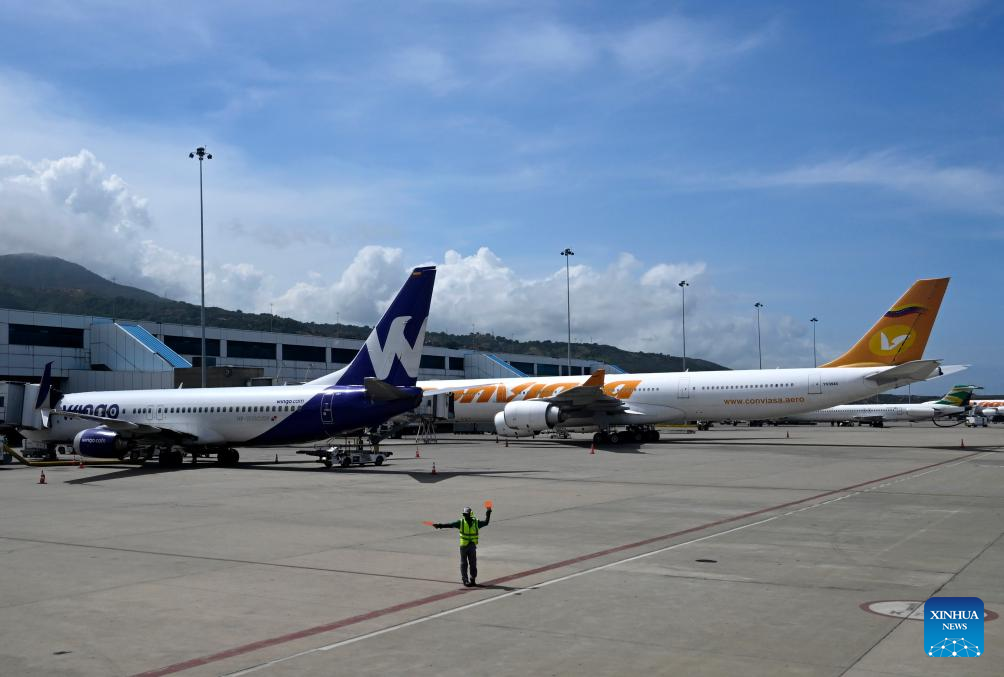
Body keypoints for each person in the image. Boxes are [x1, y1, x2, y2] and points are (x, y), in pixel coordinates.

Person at [434, 505, 491, 586]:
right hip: (463, 546)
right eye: (464, 514)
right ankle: (465, 580)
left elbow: (486, 522)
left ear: (471, 514)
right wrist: (440, 525)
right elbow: (450, 525)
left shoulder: (476, 522)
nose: (465, 515)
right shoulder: (461, 522)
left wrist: (488, 512)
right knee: (464, 563)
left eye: (466, 514)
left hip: (472, 546)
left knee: (473, 563)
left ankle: (472, 579)